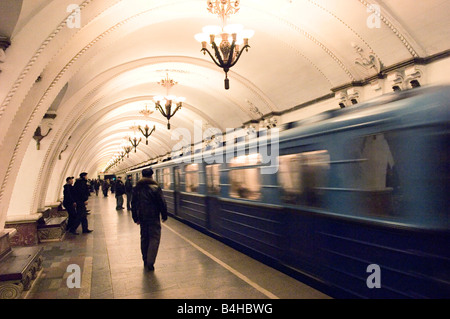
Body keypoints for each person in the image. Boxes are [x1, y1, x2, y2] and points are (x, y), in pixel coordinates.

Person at [131, 168, 168, 271]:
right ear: (152, 176)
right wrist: (164, 216)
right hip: (153, 218)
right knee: (154, 239)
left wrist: (135, 218)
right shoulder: (155, 187)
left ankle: (145, 260)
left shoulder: (137, 188)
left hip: (142, 218)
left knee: (144, 238)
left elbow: (133, 204)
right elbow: (162, 202)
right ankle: (150, 262)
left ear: (142, 175)